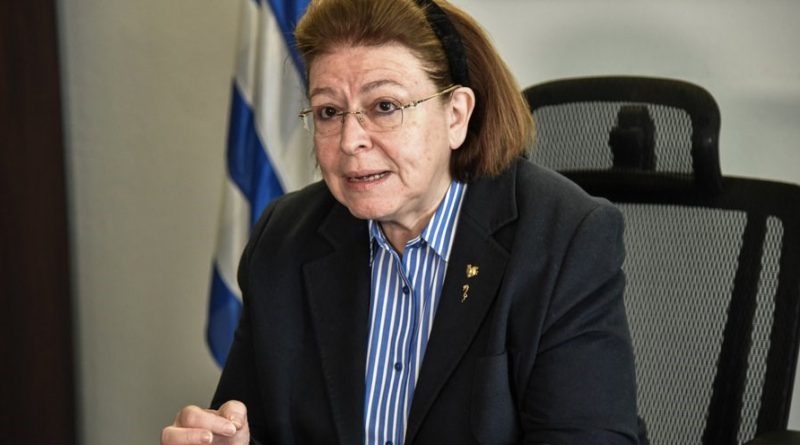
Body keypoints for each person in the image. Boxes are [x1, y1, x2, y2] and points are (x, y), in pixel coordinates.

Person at [162, 0, 642, 444]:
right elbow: (253, 423)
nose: (350, 140)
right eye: (329, 112)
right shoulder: (285, 239)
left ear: (456, 115)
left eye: (384, 107)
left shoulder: (564, 239)